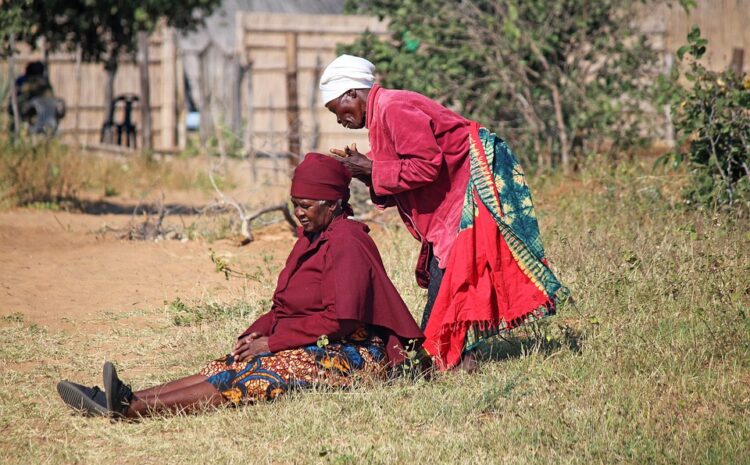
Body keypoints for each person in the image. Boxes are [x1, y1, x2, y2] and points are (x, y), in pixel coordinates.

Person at [56, 153, 424, 419]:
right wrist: (258, 332)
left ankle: (132, 409)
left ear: (335, 203)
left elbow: (340, 321)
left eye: (307, 206)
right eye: (295, 204)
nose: (299, 213)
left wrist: (274, 343)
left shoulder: (347, 242)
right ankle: (120, 397)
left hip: (354, 352)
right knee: (229, 362)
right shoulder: (312, 236)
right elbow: (285, 307)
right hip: (315, 337)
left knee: (259, 373)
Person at [321, 55, 568, 370]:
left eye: (336, 110)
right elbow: (404, 160)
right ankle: (453, 357)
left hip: (468, 185)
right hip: (451, 195)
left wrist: (372, 168)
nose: (339, 119)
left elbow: (426, 165)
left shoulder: (393, 108)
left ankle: (443, 357)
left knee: (454, 275)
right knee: (449, 274)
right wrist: (366, 169)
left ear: (351, 94)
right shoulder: (383, 114)